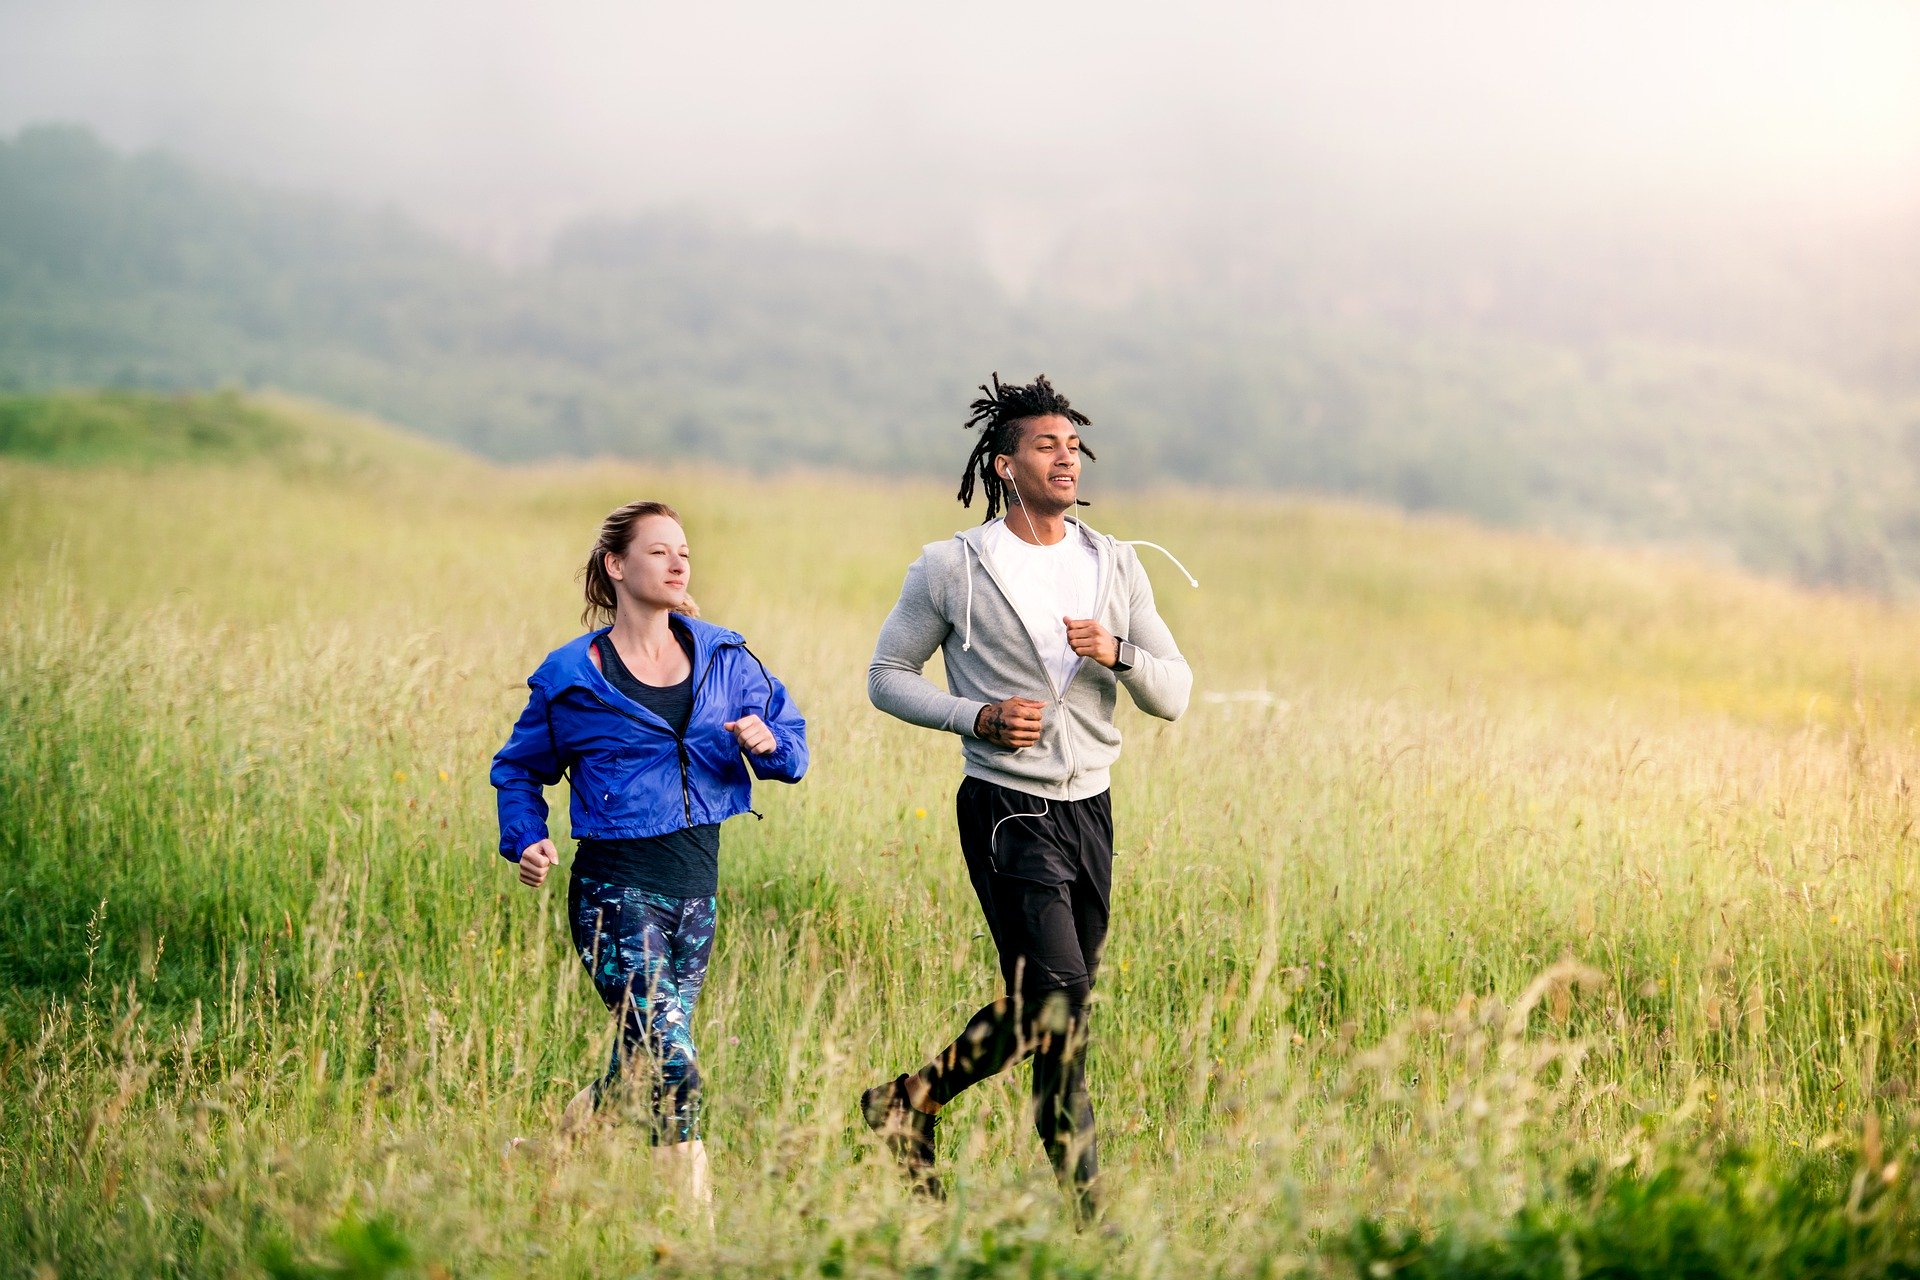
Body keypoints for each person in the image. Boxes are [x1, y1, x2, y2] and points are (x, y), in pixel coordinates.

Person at [861, 374, 1193, 1220]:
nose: (1066, 457)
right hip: (1007, 807)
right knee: (1061, 1008)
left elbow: (1176, 692)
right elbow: (886, 676)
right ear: (1005, 465)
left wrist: (1117, 651)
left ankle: (909, 1101)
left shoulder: (1115, 564)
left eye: (1073, 446)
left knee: (1046, 1006)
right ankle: (1093, 1220)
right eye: (1047, 445)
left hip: (1092, 810)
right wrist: (972, 714)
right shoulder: (950, 568)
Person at [491, 500, 808, 1209]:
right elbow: (519, 769)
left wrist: (770, 744)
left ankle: (542, 1158)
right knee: (676, 1071)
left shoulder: (723, 657)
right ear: (616, 565)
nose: (678, 562)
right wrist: (527, 837)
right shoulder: (572, 676)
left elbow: (793, 750)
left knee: (641, 1063)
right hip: (613, 893)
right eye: (659, 550)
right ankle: (696, 1248)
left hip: (697, 892)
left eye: (684, 552)